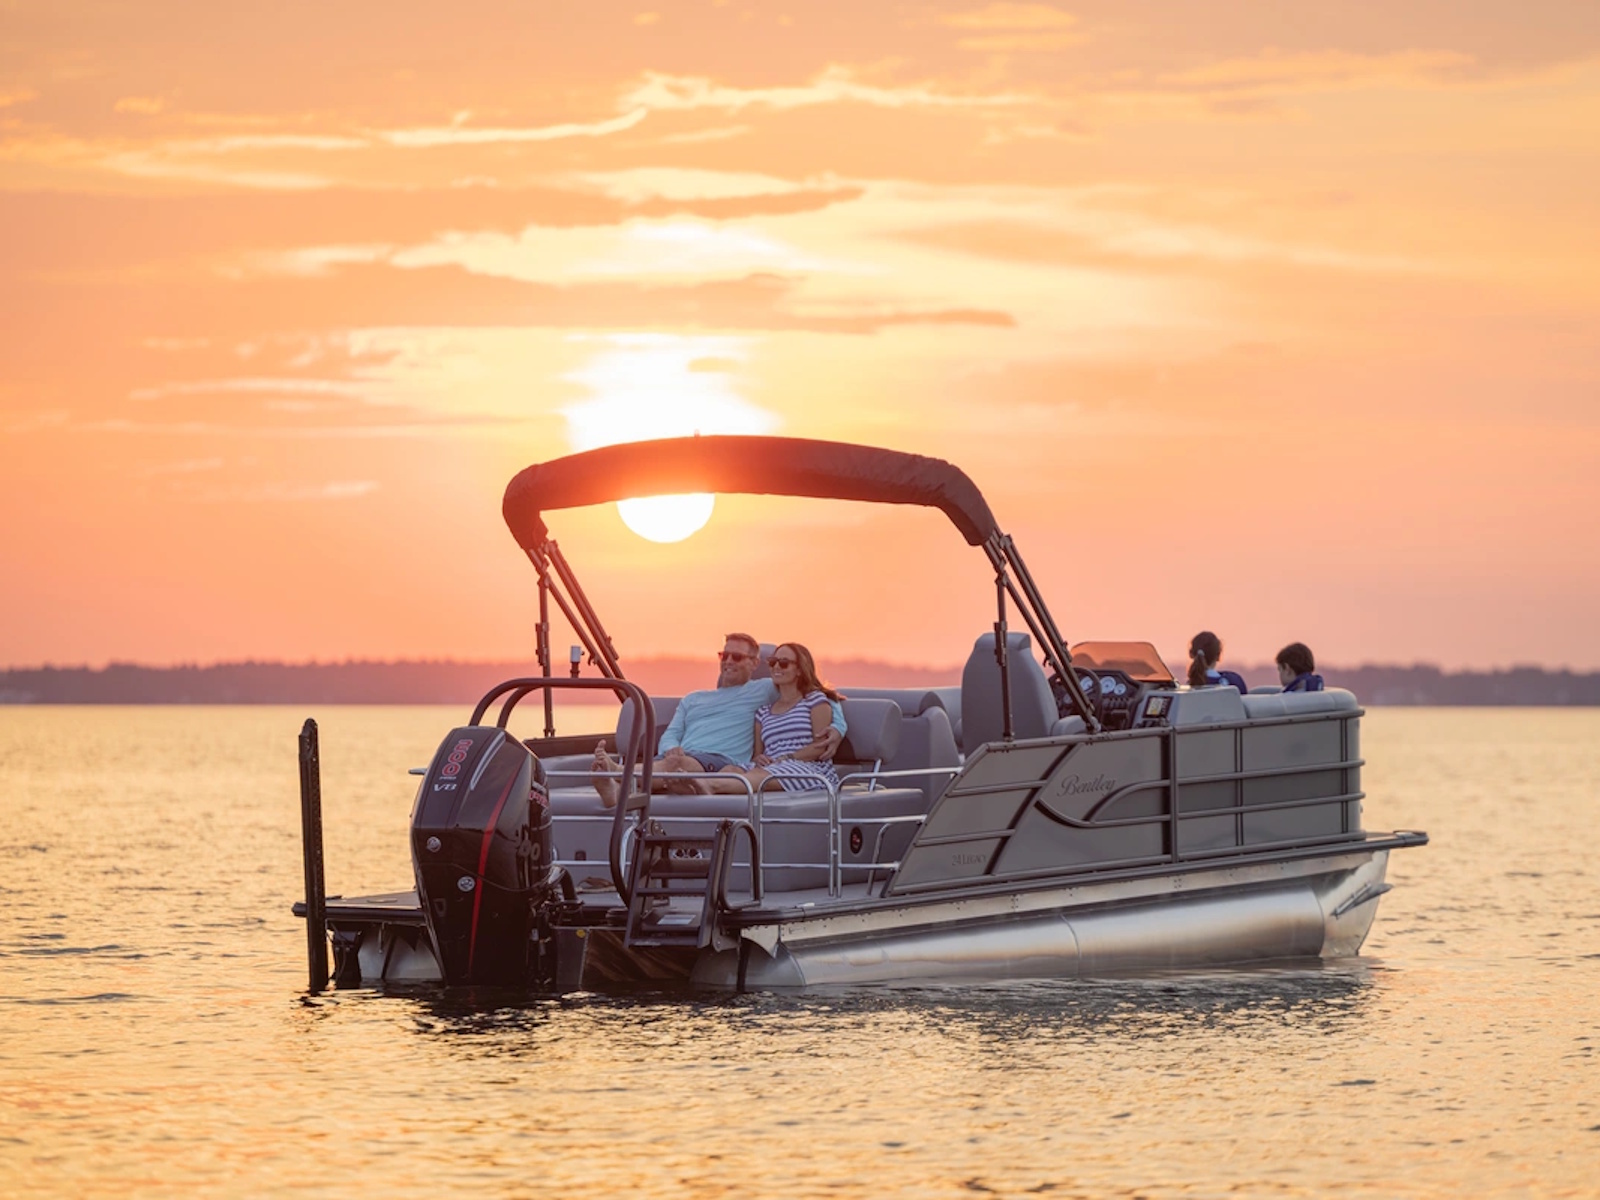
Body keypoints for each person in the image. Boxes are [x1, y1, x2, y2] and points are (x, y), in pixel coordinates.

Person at [590, 632, 844, 807]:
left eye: (737, 657)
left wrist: (838, 727)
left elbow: (819, 695)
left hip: (716, 758)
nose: (729, 662)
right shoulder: (694, 698)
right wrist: (671, 748)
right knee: (675, 764)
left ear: (754, 663)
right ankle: (618, 791)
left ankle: (620, 773)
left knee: (681, 766)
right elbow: (673, 732)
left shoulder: (765, 689)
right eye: (725, 655)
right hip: (681, 758)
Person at [693, 643, 842, 795]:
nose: (776, 667)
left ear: (799, 670)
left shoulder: (814, 701)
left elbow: (820, 747)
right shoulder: (763, 712)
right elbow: (757, 755)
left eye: (783, 663)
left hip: (809, 768)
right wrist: (759, 759)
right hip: (773, 766)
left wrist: (788, 757)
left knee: (762, 775)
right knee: (731, 770)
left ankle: (708, 786)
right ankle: (698, 788)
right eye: (772, 662)